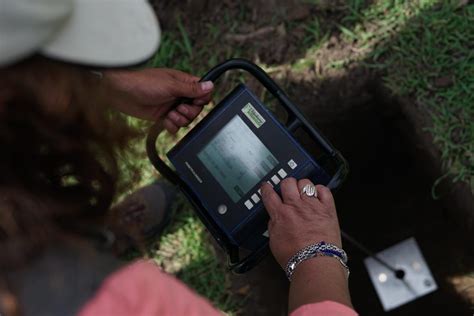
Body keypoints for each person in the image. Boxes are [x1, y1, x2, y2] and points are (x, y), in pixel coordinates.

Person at [0, 0, 357, 315]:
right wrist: (314, 254)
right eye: (67, 62)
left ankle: (98, 237)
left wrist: (104, 85)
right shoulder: (126, 305)